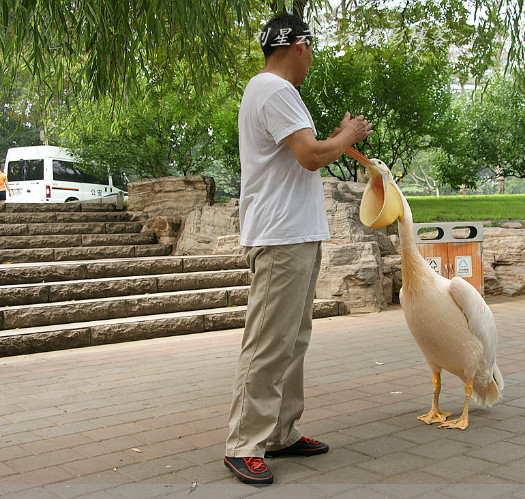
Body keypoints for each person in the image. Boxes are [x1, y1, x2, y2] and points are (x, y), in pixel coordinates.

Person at [223, 12, 373, 486]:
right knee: (269, 341)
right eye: (311, 49)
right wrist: (347, 137)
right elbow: (311, 156)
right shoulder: (276, 90)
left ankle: (282, 432)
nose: (311, 59)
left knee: (292, 339)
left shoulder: (268, 92)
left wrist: (335, 140)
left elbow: (306, 150)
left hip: (295, 234)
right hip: (281, 236)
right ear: (300, 46)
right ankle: (244, 443)